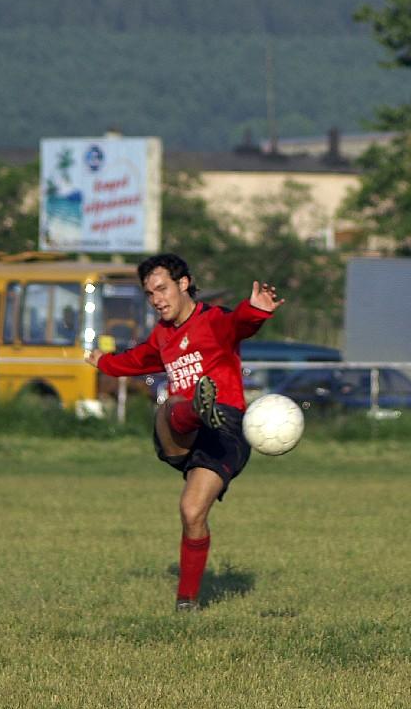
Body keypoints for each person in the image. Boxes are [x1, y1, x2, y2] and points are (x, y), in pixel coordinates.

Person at [85, 253, 284, 611]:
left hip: (225, 430)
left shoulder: (213, 321)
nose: (157, 299)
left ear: (184, 283)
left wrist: (257, 310)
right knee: (174, 402)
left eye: (162, 289)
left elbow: (241, 322)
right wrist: (103, 361)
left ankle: (187, 603)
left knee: (192, 512)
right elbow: (135, 361)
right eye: (149, 293)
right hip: (179, 433)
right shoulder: (162, 336)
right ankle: (195, 408)